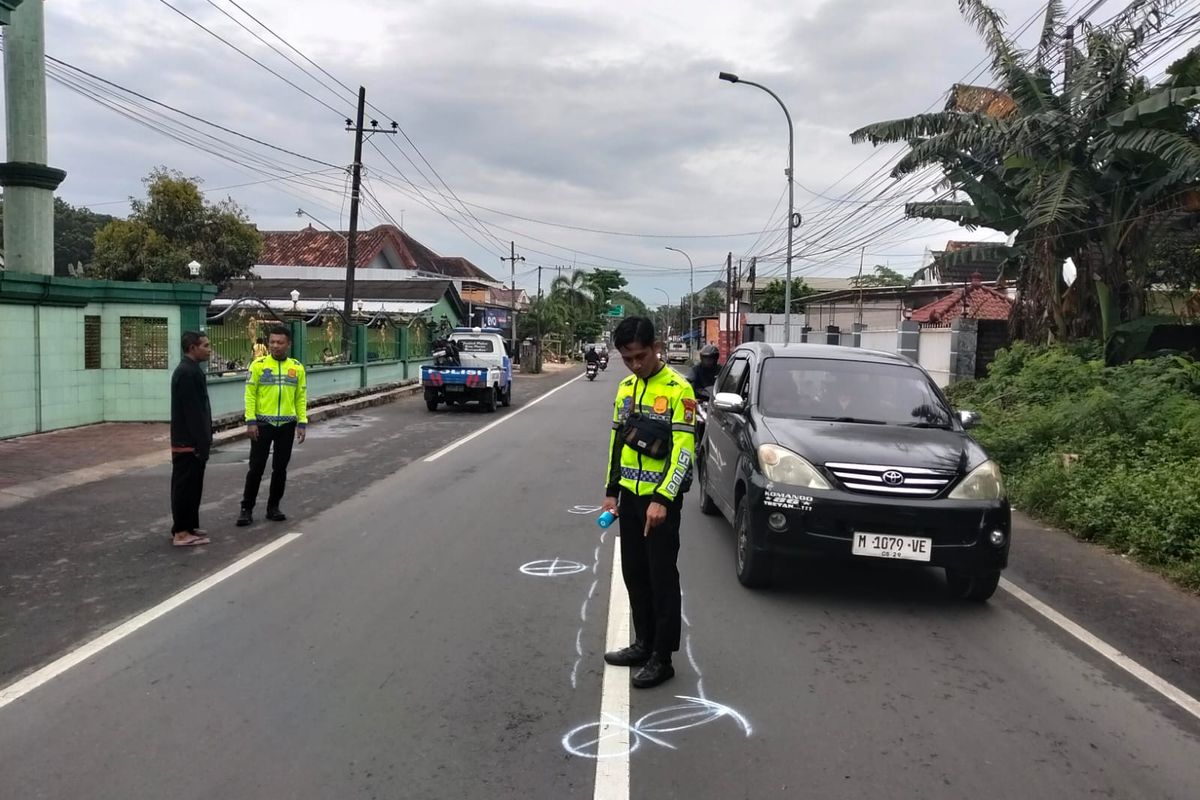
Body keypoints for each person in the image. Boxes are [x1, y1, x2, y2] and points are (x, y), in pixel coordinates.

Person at [601, 316, 696, 689]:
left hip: (661, 503)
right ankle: (642, 643)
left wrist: (663, 498)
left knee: (661, 578)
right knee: (634, 575)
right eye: (628, 358)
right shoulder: (625, 389)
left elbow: (684, 451)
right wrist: (612, 491)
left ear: (656, 347)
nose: (636, 365)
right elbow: (616, 443)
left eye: (641, 356)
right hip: (629, 497)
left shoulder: (678, 389)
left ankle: (662, 656)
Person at [238, 325, 307, 527]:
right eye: (272, 342)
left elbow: (300, 397)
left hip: (286, 424)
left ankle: (273, 507)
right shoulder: (258, 365)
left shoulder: (297, 368)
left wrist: (302, 422)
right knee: (256, 468)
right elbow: (250, 395)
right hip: (262, 424)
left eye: (280, 342)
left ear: (288, 344)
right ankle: (246, 509)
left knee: (280, 468)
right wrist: (250, 421)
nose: (275, 346)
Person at [170, 331, 213, 547]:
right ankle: (181, 532)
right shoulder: (187, 373)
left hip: (191, 441)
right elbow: (193, 412)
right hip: (188, 442)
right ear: (192, 348)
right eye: (205, 345)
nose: (209, 349)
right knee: (185, 486)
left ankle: (188, 525)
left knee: (193, 486)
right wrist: (201, 441)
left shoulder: (192, 370)